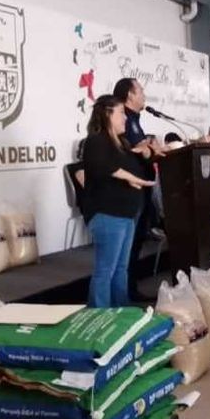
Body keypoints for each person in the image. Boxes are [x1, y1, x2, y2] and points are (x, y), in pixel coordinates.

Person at [81, 95, 155, 308]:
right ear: (107, 114)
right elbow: (103, 167)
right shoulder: (96, 141)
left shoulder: (122, 143)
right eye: (121, 113)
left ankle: (120, 313)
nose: (125, 118)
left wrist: (146, 153)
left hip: (126, 214)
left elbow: (134, 167)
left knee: (121, 268)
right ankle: (99, 316)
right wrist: (132, 178)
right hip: (107, 214)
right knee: (106, 270)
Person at [113, 78, 164, 302]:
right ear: (130, 95)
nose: (144, 94)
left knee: (134, 245)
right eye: (140, 90)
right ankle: (125, 294)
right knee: (128, 248)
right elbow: (137, 150)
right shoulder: (125, 120)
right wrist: (148, 148)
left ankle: (129, 290)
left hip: (141, 192)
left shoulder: (134, 119)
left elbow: (143, 148)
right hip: (130, 193)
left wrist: (150, 148)